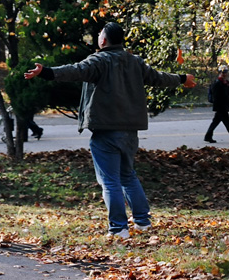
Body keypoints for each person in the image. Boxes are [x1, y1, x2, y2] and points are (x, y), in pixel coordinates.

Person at [24, 22, 196, 238]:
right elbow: (158, 77)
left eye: (99, 35)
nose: (98, 37)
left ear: (103, 40)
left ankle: (118, 228)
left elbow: (75, 71)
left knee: (110, 181)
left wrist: (46, 72)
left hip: (105, 131)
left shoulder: (100, 60)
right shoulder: (134, 62)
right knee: (128, 176)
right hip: (130, 132)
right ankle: (142, 222)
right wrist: (181, 78)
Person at [204, 66, 229, 143]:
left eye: (225, 72)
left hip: (224, 106)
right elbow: (216, 97)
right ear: (219, 73)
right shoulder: (217, 83)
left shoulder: (225, 82)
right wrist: (220, 107)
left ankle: (208, 136)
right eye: (222, 72)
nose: (223, 74)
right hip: (220, 106)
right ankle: (208, 136)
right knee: (227, 122)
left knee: (215, 121)